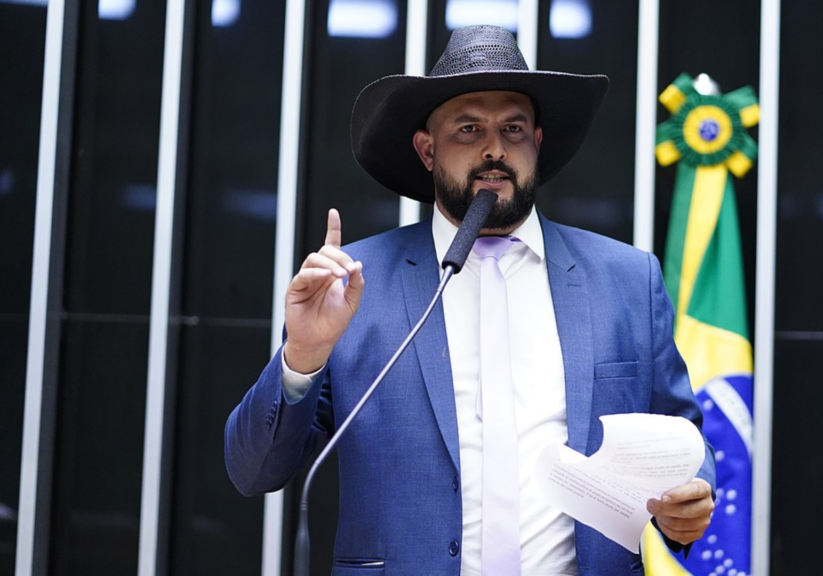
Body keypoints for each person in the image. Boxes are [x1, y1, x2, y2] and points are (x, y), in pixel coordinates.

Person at [225, 25, 715, 576]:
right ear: (427, 150)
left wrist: (690, 497)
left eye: (513, 128)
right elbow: (254, 470)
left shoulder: (625, 279)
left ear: (537, 143)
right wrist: (302, 357)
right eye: (469, 128)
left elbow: (684, 441)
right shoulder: (354, 286)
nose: (494, 149)